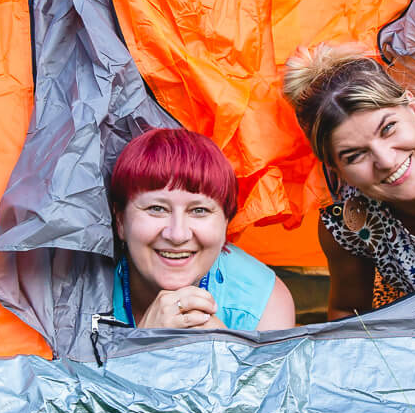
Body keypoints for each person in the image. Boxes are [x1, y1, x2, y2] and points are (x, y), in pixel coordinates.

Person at [281, 45, 415, 319]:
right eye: (355, 155)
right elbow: (348, 311)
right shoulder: (346, 222)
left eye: (388, 128)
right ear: (336, 168)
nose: (386, 161)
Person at [108, 127, 296, 330]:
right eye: (157, 208)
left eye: (199, 210)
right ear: (120, 221)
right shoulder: (77, 291)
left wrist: (225, 352)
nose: (178, 235)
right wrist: (141, 348)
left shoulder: (263, 301)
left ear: (226, 222)